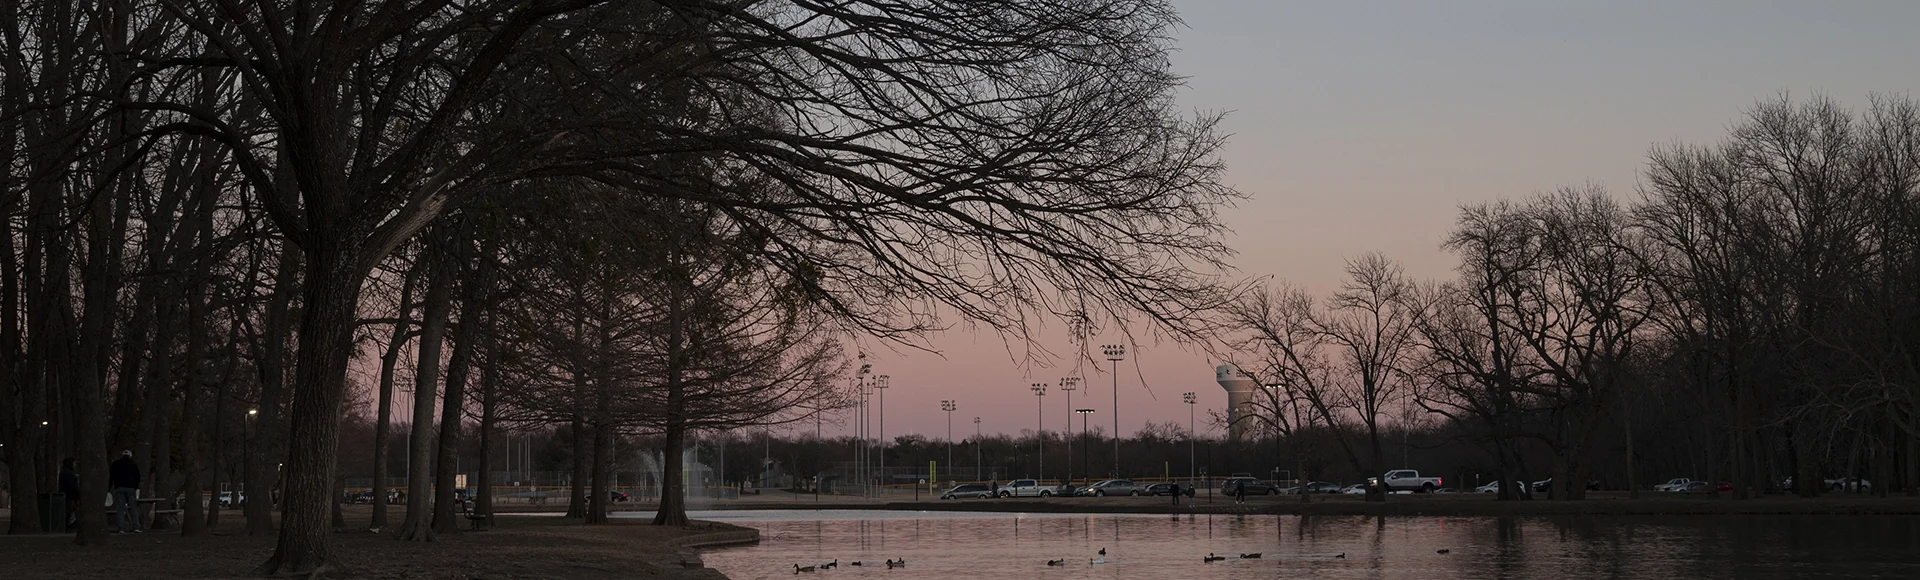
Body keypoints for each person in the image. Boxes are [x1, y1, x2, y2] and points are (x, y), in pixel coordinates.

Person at [110, 450, 144, 533]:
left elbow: (111, 476)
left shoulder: (115, 463)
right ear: (130, 456)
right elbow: (138, 477)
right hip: (131, 488)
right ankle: (136, 526)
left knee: (120, 509)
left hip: (119, 488)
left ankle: (121, 527)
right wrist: (136, 487)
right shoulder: (133, 464)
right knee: (133, 508)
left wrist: (110, 488)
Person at [59, 457, 80, 532]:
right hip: (69, 496)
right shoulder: (69, 473)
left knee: (70, 512)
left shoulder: (65, 472)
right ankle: (69, 527)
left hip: (69, 495)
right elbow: (72, 486)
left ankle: (69, 527)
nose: (75, 465)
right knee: (70, 512)